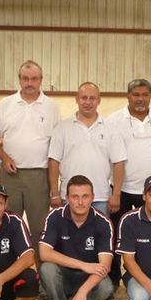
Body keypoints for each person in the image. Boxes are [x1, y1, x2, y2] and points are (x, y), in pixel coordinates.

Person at [107, 79, 151, 291]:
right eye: (136, 94)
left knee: (150, 238)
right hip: (121, 191)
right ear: (128, 96)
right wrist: (114, 193)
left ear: (150, 96)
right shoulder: (114, 120)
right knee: (116, 236)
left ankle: (144, 278)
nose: (140, 99)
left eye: (145, 94)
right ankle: (113, 279)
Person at [0, 60, 61, 254]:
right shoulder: (5, 104)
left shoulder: (51, 107)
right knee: (7, 224)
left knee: (39, 229)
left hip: (39, 177)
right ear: (19, 80)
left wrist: (54, 188)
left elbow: (56, 147)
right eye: (25, 78)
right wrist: (4, 157)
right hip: (10, 176)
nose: (29, 83)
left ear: (41, 80)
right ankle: (10, 273)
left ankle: (41, 275)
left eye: (34, 79)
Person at [39, 175, 114, 300]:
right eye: (75, 197)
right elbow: (44, 253)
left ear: (93, 198)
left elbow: (105, 265)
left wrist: (83, 292)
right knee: (47, 269)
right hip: (63, 274)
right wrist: (82, 264)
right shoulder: (55, 216)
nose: (80, 202)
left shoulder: (103, 222)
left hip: (87, 277)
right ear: (67, 198)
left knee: (106, 287)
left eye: (85, 196)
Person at [48, 82, 127, 216]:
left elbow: (118, 163)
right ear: (77, 99)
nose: (88, 102)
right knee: (69, 236)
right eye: (84, 98)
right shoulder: (62, 128)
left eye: (92, 98)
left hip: (101, 197)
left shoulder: (111, 129)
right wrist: (55, 194)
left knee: (99, 235)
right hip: (69, 197)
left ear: (99, 100)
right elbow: (53, 162)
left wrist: (116, 195)